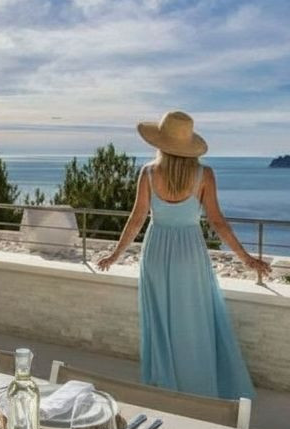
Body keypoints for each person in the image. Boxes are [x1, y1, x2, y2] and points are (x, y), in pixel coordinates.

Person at [96, 111, 269, 399]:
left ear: (161, 142)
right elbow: (219, 222)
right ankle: (198, 386)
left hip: (156, 251)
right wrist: (246, 258)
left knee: (161, 319)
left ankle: (166, 386)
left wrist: (116, 254)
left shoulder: (149, 173)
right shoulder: (205, 175)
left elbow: (137, 219)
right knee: (195, 318)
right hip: (190, 252)